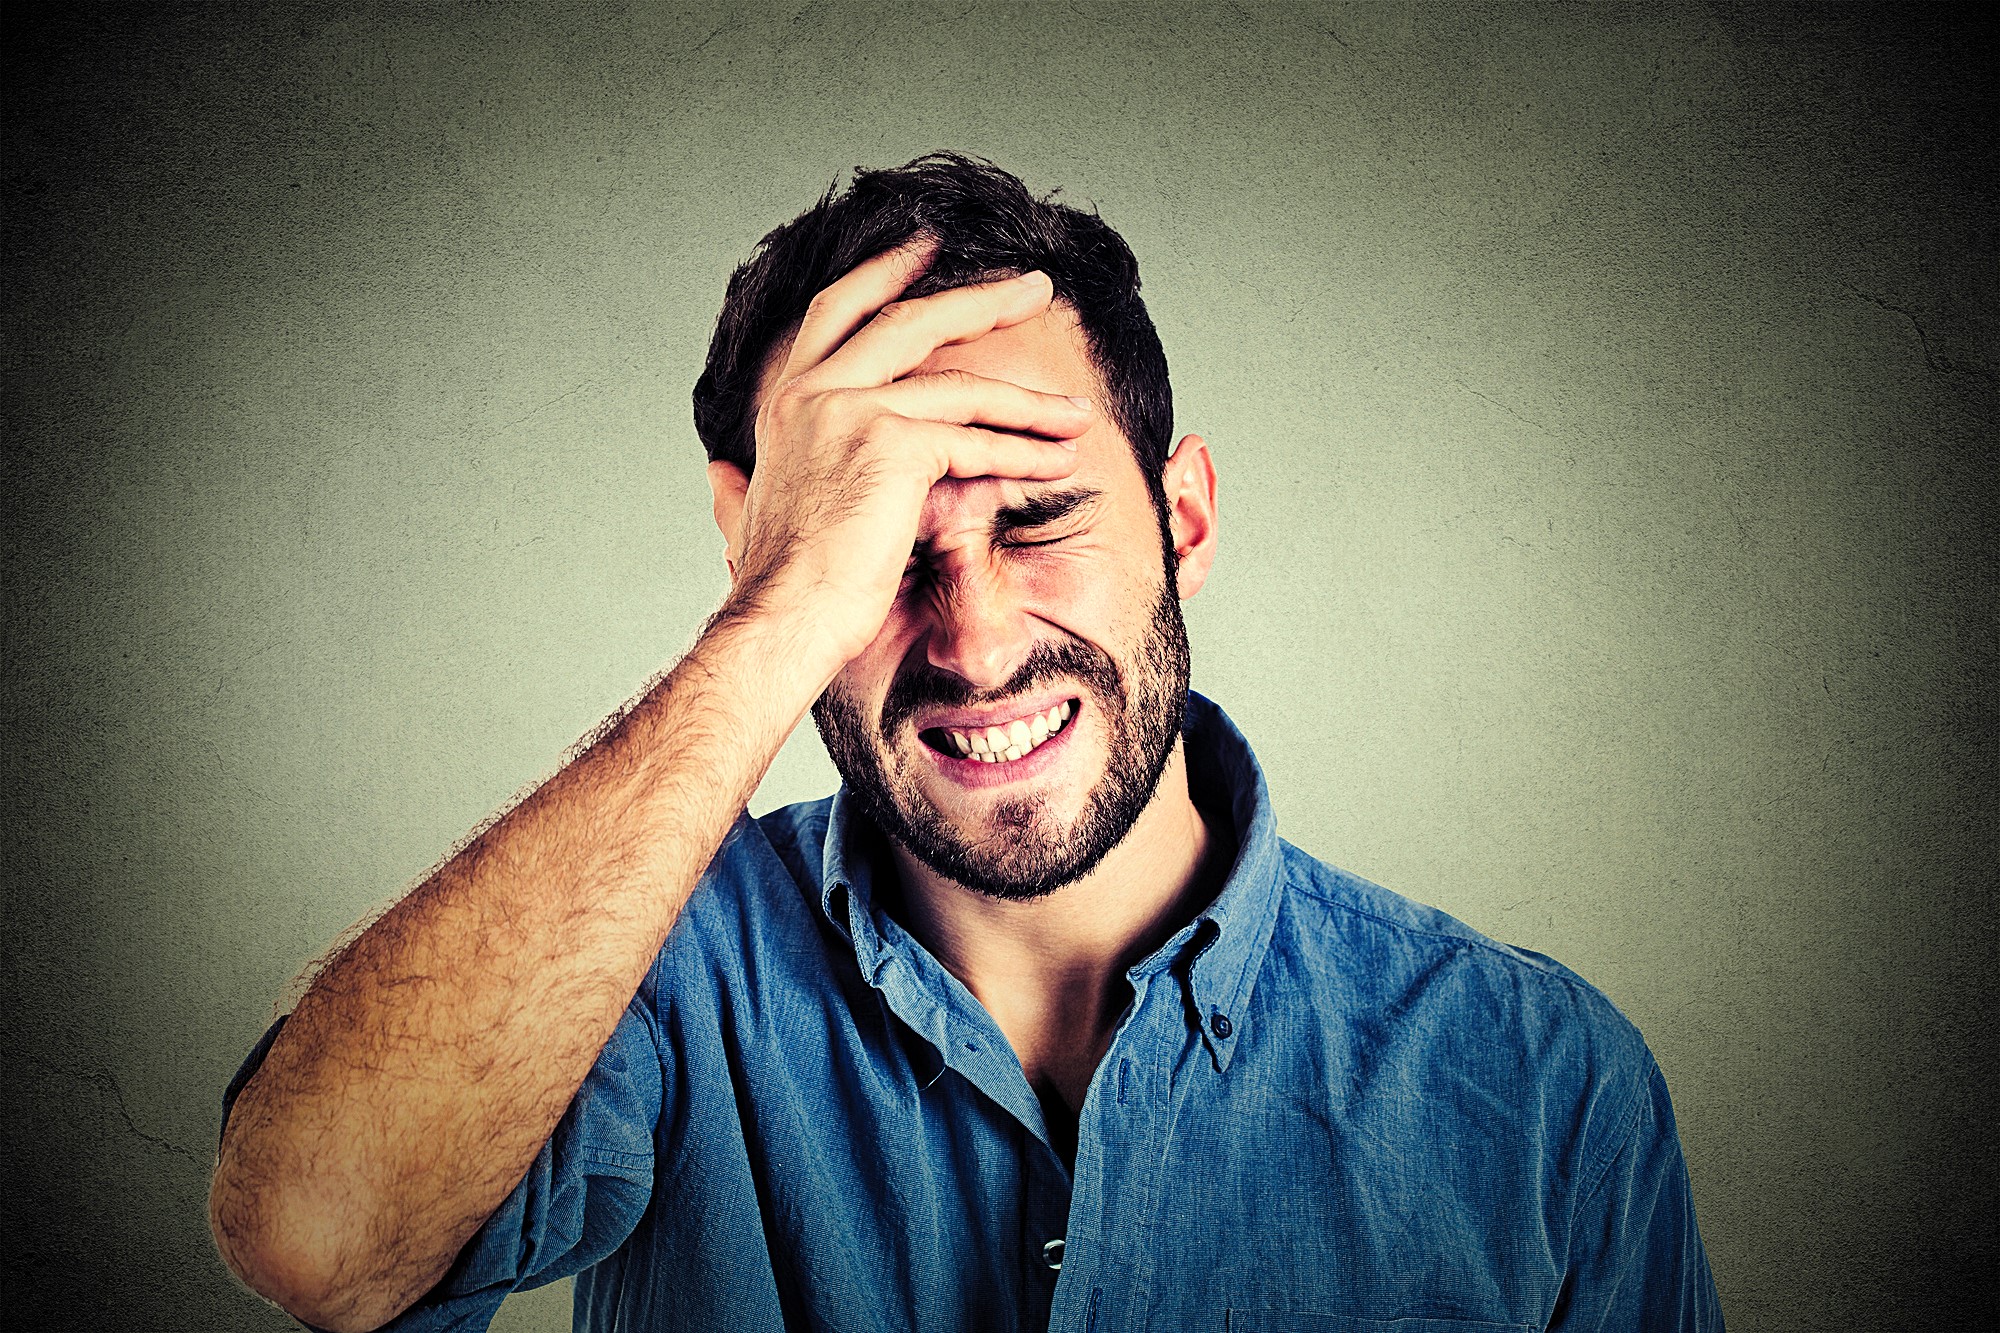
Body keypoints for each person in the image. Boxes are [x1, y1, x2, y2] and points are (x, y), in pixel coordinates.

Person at [208, 153, 1723, 1333]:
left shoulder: (1541, 1086)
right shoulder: (652, 980)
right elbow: (311, 1231)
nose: (976, 639)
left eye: (1040, 515)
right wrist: (782, 607)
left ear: (1182, 518)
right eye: (881, 554)